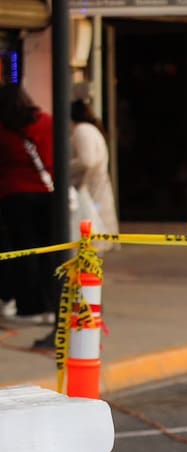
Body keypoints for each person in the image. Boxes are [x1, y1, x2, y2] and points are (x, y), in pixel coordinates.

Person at [0, 85, 56, 344]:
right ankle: (49, 304)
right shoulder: (46, 122)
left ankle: (28, 304)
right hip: (48, 194)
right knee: (49, 251)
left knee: (22, 251)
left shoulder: (3, 128)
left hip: (14, 196)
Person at [69, 99, 117, 243]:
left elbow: (86, 160)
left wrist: (63, 167)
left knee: (89, 228)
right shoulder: (90, 129)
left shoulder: (82, 130)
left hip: (89, 187)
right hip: (94, 185)